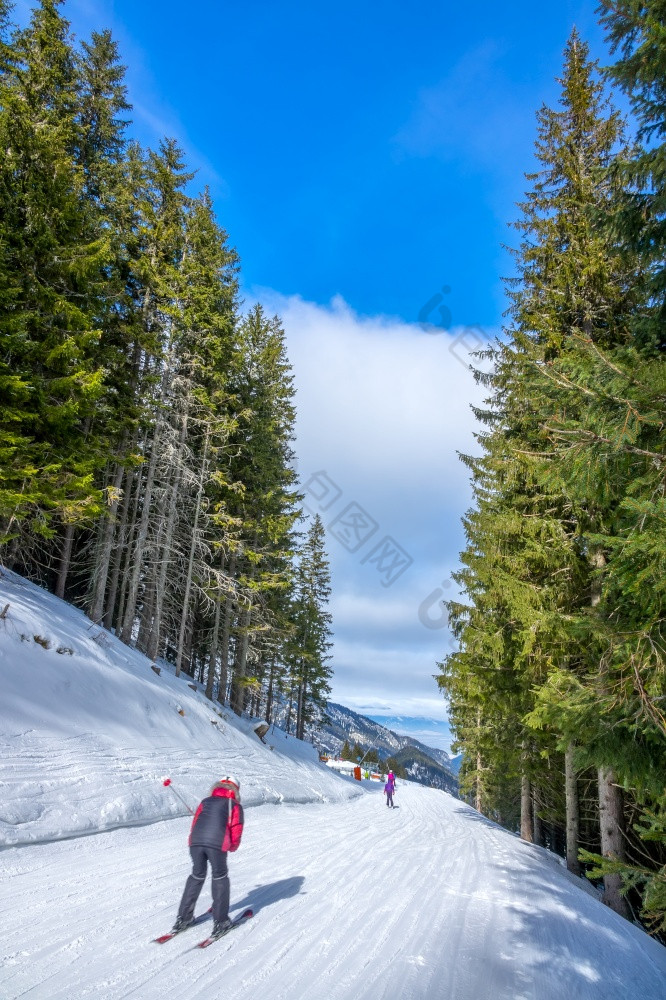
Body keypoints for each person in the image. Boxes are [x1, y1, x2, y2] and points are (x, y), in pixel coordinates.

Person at [172, 776, 244, 936]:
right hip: (217, 845)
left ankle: (183, 918)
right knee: (220, 878)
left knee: (196, 876)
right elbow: (236, 829)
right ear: (236, 790)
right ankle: (221, 922)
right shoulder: (234, 805)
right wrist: (232, 847)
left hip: (196, 843)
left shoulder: (205, 801)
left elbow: (195, 822)